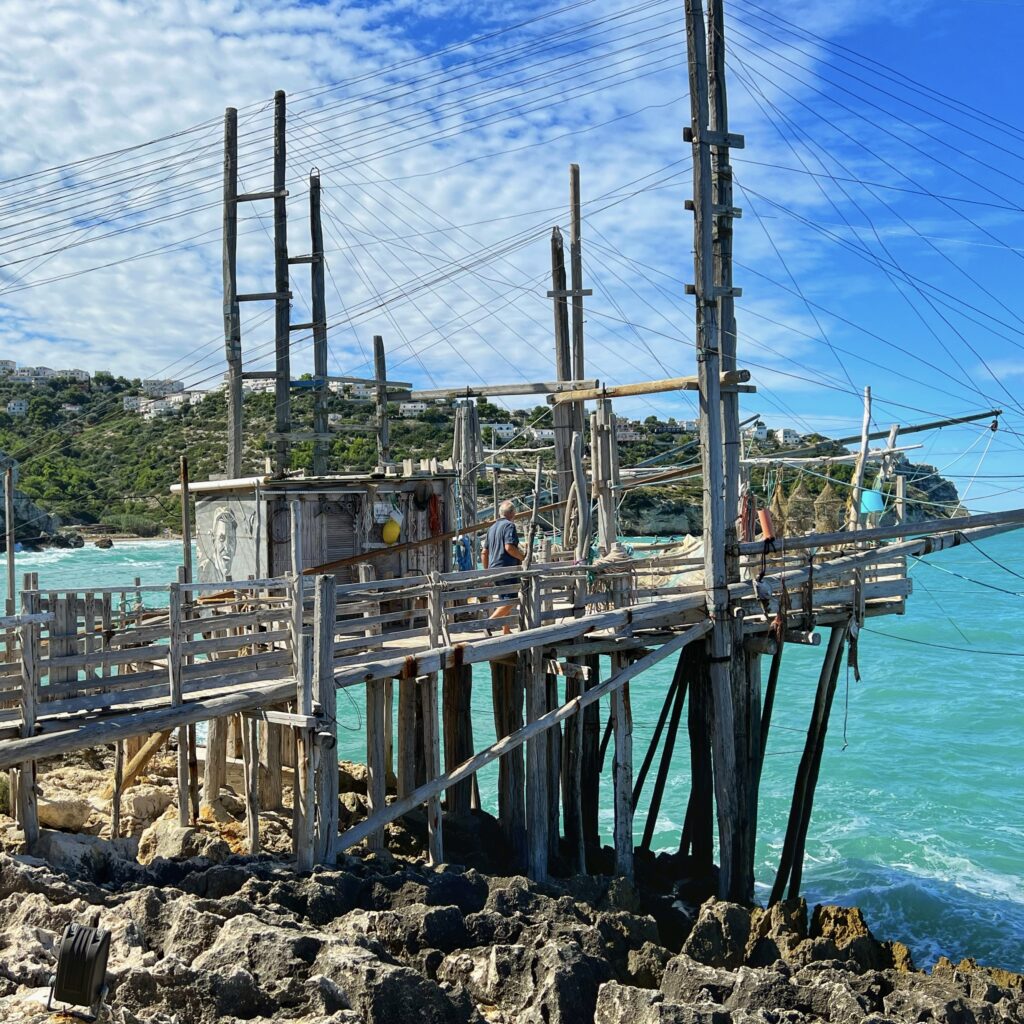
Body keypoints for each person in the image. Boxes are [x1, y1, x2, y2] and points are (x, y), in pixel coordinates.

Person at [481, 500, 525, 633]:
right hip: (507, 568)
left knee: (503, 600)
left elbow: (484, 552)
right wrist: (523, 558)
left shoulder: (491, 528)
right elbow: (509, 547)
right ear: (512, 513)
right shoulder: (509, 526)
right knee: (511, 600)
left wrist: (487, 571)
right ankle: (489, 624)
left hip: (494, 569)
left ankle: (505, 629)